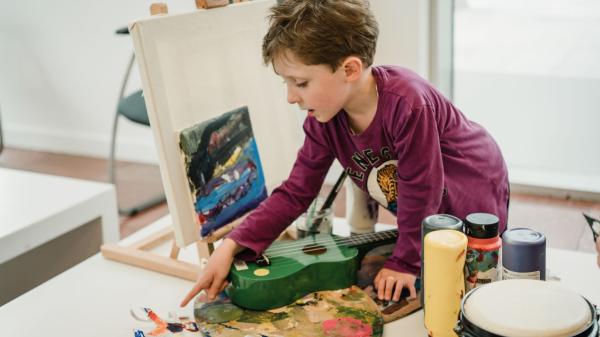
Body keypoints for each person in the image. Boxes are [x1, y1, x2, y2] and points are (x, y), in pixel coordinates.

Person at [180, 0, 509, 307]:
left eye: (301, 82)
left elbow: (422, 190)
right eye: (287, 84)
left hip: (471, 184)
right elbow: (297, 191)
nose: (291, 97)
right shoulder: (324, 118)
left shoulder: (407, 104)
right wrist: (232, 244)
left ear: (350, 69)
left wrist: (406, 262)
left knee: (473, 281)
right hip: (428, 208)